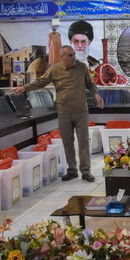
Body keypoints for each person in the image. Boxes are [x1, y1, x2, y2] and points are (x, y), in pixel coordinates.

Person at [13, 45, 105, 182]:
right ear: (62, 57)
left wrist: (96, 94)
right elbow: (41, 82)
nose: (73, 57)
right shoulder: (55, 69)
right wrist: (24, 88)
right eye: (69, 55)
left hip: (81, 112)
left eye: (74, 54)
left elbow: (90, 83)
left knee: (84, 143)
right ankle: (72, 170)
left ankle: (86, 171)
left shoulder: (82, 68)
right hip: (64, 112)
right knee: (67, 143)